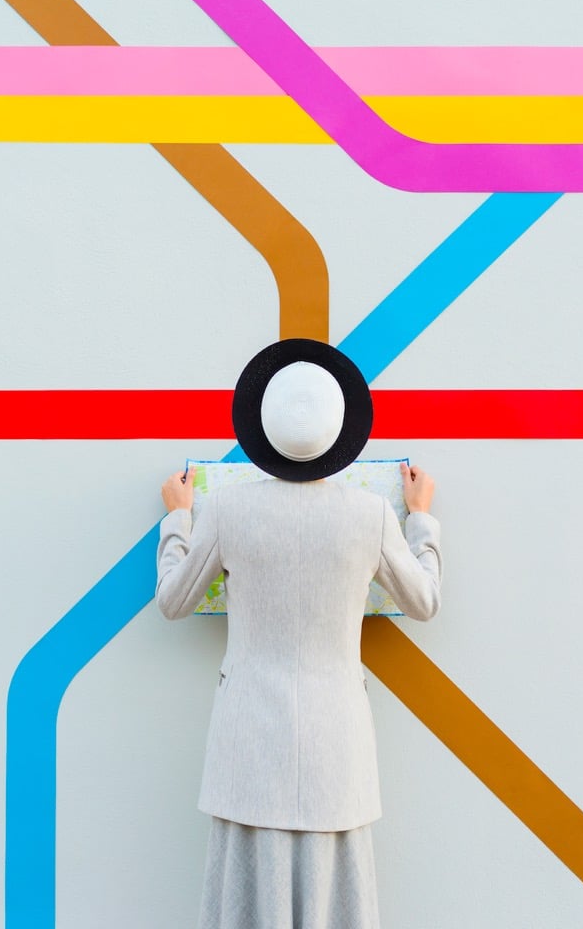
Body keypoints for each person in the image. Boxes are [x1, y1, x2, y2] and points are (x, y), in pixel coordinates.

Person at [156, 338, 442, 929]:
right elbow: (424, 601)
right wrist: (422, 521)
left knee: (245, 901)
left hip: (248, 742)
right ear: (340, 435)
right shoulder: (371, 517)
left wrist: (177, 520)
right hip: (337, 743)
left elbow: (174, 602)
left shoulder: (229, 510)